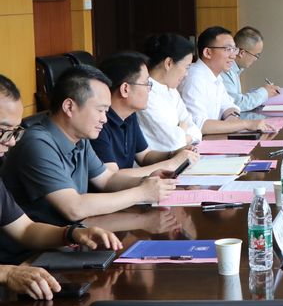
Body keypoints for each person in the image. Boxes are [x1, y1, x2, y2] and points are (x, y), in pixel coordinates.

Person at [0, 66, 175, 226]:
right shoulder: (36, 143)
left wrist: (147, 181)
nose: (104, 119)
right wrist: (142, 193)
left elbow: (107, 180)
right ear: (69, 106)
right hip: (39, 245)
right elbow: (74, 208)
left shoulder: (79, 138)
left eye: (106, 111)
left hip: (73, 234)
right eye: (100, 110)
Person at [0, 75, 122, 299]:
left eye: (15, 131)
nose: (11, 141)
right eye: (3, 130)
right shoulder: (37, 141)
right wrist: (6, 273)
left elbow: (25, 229)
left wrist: (72, 233)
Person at [92, 52, 199, 175]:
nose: (150, 89)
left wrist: (174, 154)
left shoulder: (129, 116)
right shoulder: (99, 123)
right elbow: (112, 177)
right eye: (146, 83)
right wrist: (171, 164)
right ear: (125, 89)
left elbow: (145, 156)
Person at [178, 26, 274, 135]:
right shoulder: (194, 78)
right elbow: (199, 125)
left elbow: (229, 105)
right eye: (228, 49)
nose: (233, 55)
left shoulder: (216, 76)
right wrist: (246, 124)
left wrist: (233, 120)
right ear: (208, 53)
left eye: (234, 49)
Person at [139, 33, 203, 151]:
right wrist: (183, 129)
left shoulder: (171, 91)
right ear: (168, 63)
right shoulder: (145, 93)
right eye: (186, 67)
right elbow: (174, 143)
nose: (186, 74)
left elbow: (196, 131)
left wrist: (181, 131)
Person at [221, 26, 281, 112]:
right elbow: (236, 105)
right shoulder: (224, 70)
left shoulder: (236, 70)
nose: (256, 59)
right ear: (241, 53)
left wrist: (265, 92)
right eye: (256, 55)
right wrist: (264, 92)